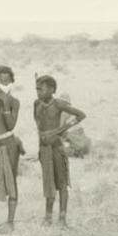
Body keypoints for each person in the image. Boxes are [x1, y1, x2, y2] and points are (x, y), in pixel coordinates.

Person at [34, 75, 86, 227]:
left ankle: (62, 218)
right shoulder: (36, 104)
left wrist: (60, 129)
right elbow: (39, 128)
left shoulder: (58, 104)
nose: (38, 92)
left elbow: (81, 115)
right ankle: (48, 217)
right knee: (48, 183)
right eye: (36, 89)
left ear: (51, 90)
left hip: (57, 148)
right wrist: (40, 148)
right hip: (44, 149)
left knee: (62, 183)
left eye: (41, 89)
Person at [0, 65, 25, 233]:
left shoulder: (14, 102)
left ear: (12, 82)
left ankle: (10, 222)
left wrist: (4, 105)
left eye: (7, 80)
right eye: (0, 80)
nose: (4, 83)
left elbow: (10, 124)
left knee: (11, 182)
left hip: (9, 145)